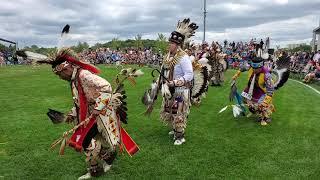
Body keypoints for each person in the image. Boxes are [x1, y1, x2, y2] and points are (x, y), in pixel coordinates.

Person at [38, 48, 139, 179]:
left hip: (100, 113)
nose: (60, 78)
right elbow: (80, 100)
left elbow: (106, 86)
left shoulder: (83, 75)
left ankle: (97, 167)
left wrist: (98, 107)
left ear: (66, 69)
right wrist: (73, 113)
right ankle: (104, 160)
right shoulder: (74, 79)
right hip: (90, 113)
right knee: (87, 140)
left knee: (86, 140)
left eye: (59, 74)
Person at [232, 53, 275, 126]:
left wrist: (266, 101)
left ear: (261, 67)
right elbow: (242, 68)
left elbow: (270, 90)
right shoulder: (250, 67)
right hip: (250, 88)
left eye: (256, 68)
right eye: (253, 68)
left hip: (262, 91)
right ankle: (253, 111)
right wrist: (237, 74)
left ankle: (265, 117)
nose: (254, 70)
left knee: (261, 105)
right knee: (245, 100)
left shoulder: (267, 75)